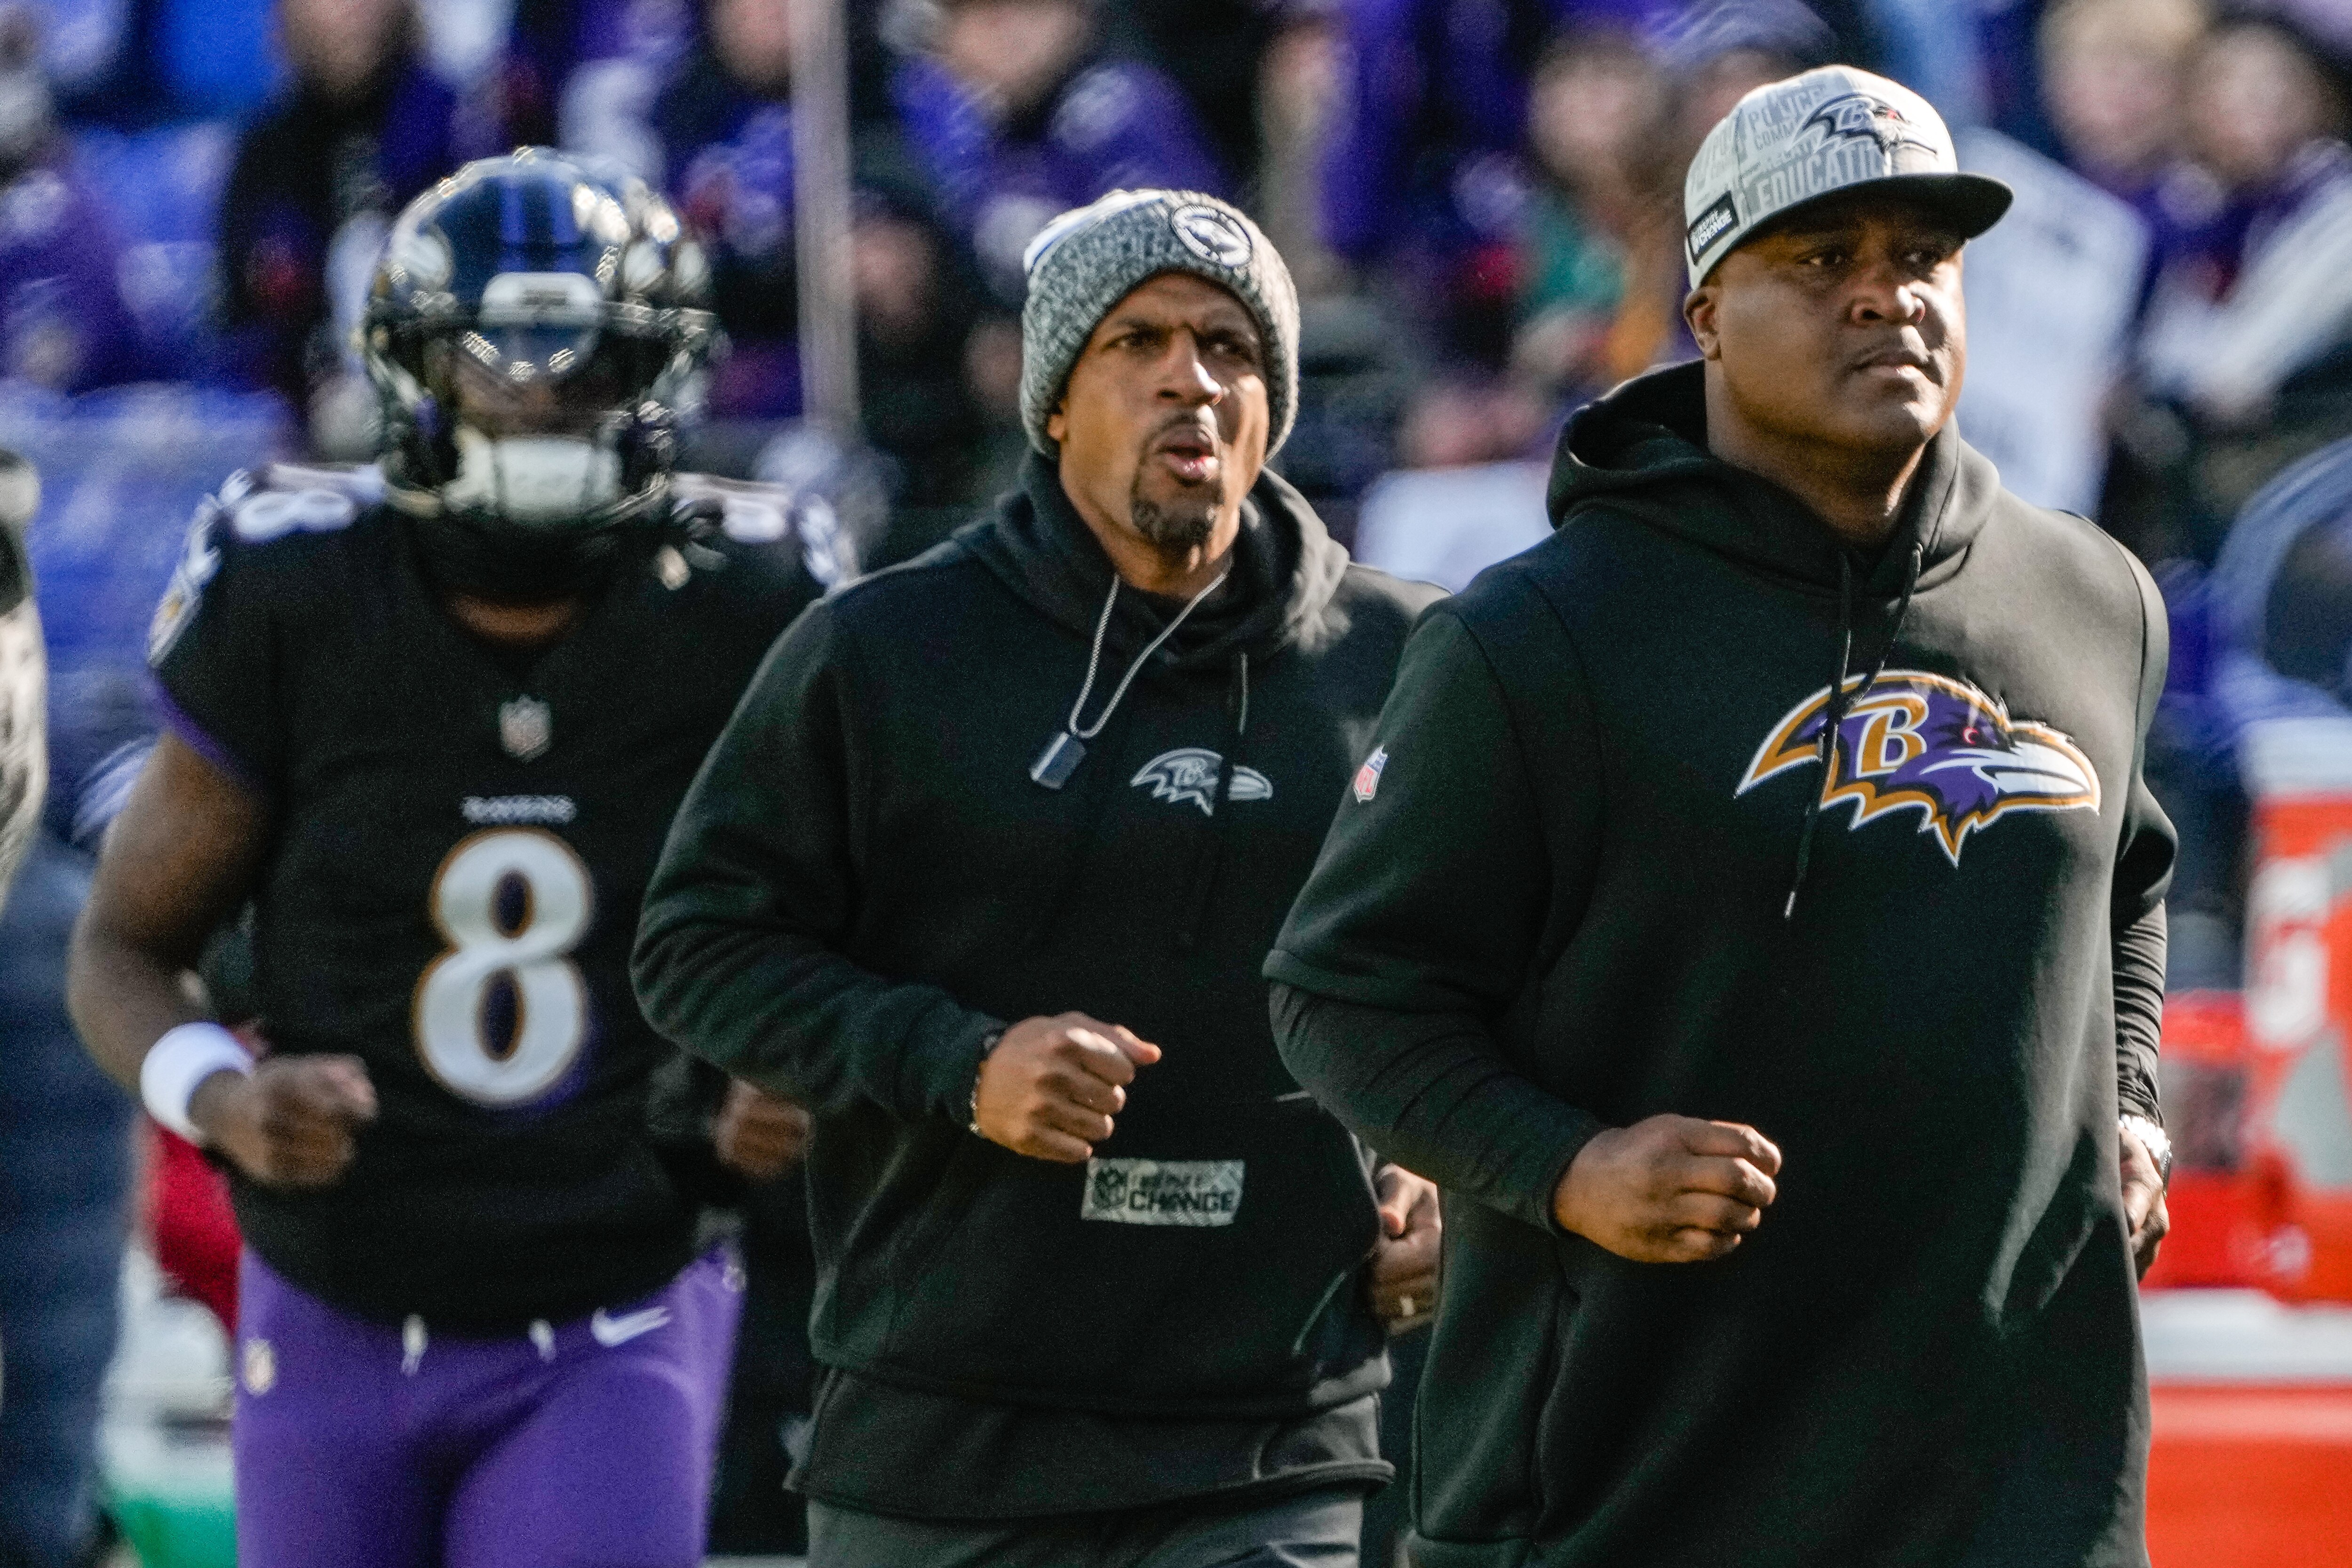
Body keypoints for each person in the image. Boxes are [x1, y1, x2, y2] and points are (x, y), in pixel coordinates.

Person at [1267, 67, 2179, 1568]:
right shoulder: (1538, 640)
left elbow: (2128, 883)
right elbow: (1342, 994)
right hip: (1634, 1496)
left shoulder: (2097, 600)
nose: (1889, 299)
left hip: (2023, 1499)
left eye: (1922, 259)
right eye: (1823, 261)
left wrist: (2129, 1103)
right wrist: (1563, 1166)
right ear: (1702, 312)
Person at [634, 187, 1441, 1567]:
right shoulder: (882, 652)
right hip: (946, 1449)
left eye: (1231, 348)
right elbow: (697, 948)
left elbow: (1491, 963)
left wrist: (1441, 1173)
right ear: (1057, 400)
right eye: (1138, 342)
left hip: (1277, 1439)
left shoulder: (1411, 661)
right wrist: (957, 1060)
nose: (1191, 378)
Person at [66, 150, 829, 1568]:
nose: (538, 397)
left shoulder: (743, 596)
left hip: (615, 1297)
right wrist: (219, 1092)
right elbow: (120, 951)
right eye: (498, 365)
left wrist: (789, 1062)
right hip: (336, 1295)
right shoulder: (297, 586)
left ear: (657, 379)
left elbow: (868, 924)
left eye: (587, 364)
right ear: (418, 373)